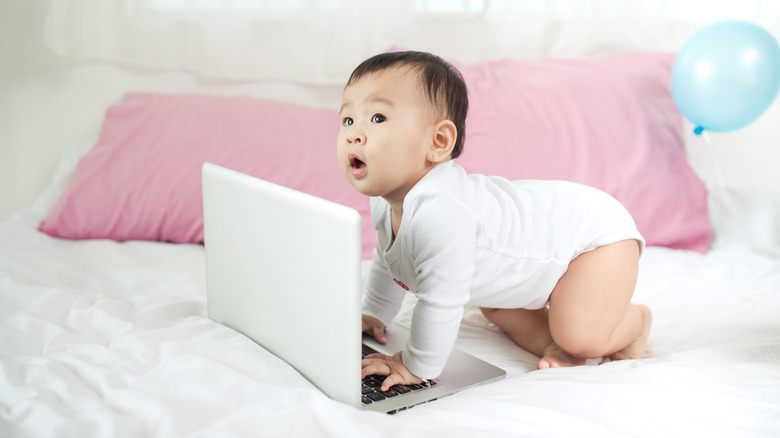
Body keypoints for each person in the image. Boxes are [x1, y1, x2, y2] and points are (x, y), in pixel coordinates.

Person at [336, 51, 652, 392]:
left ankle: (636, 323)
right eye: (348, 120)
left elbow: (440, 302)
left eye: (378, 118)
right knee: (495, 307)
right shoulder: (384, 203)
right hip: (545, 249)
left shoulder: (443, 212)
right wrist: (375, 314)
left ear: (438, 141)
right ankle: (554, 340)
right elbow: (389, 259)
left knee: (580, 337)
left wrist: (415, 365)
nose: (354, 134)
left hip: (592, 236)